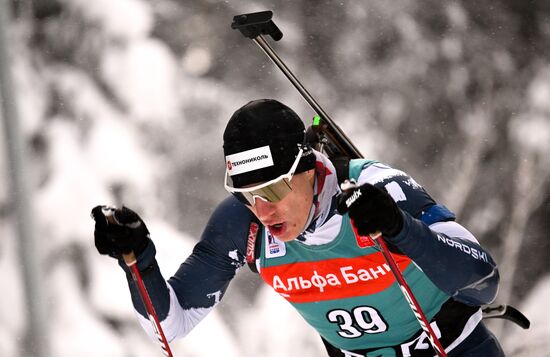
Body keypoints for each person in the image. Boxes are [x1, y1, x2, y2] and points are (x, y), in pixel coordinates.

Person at [91, 99, 504, 356]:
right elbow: (170, 327)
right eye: (247, 195)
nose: (262, 210)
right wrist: (139, 265)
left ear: (308, 169)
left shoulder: (375, 189)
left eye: (272, 190)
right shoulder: (240, 225)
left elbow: (483, 280)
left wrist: (400, 228)